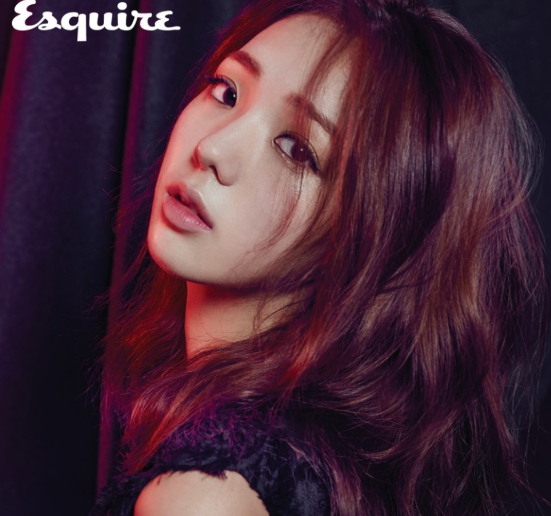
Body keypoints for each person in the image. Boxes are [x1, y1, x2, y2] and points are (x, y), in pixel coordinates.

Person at [91, 0, 549, 514]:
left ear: (376, 233)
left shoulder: (207, 493)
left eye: (297, 149)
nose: (213, 149)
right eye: (227, 91)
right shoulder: (318, 457)